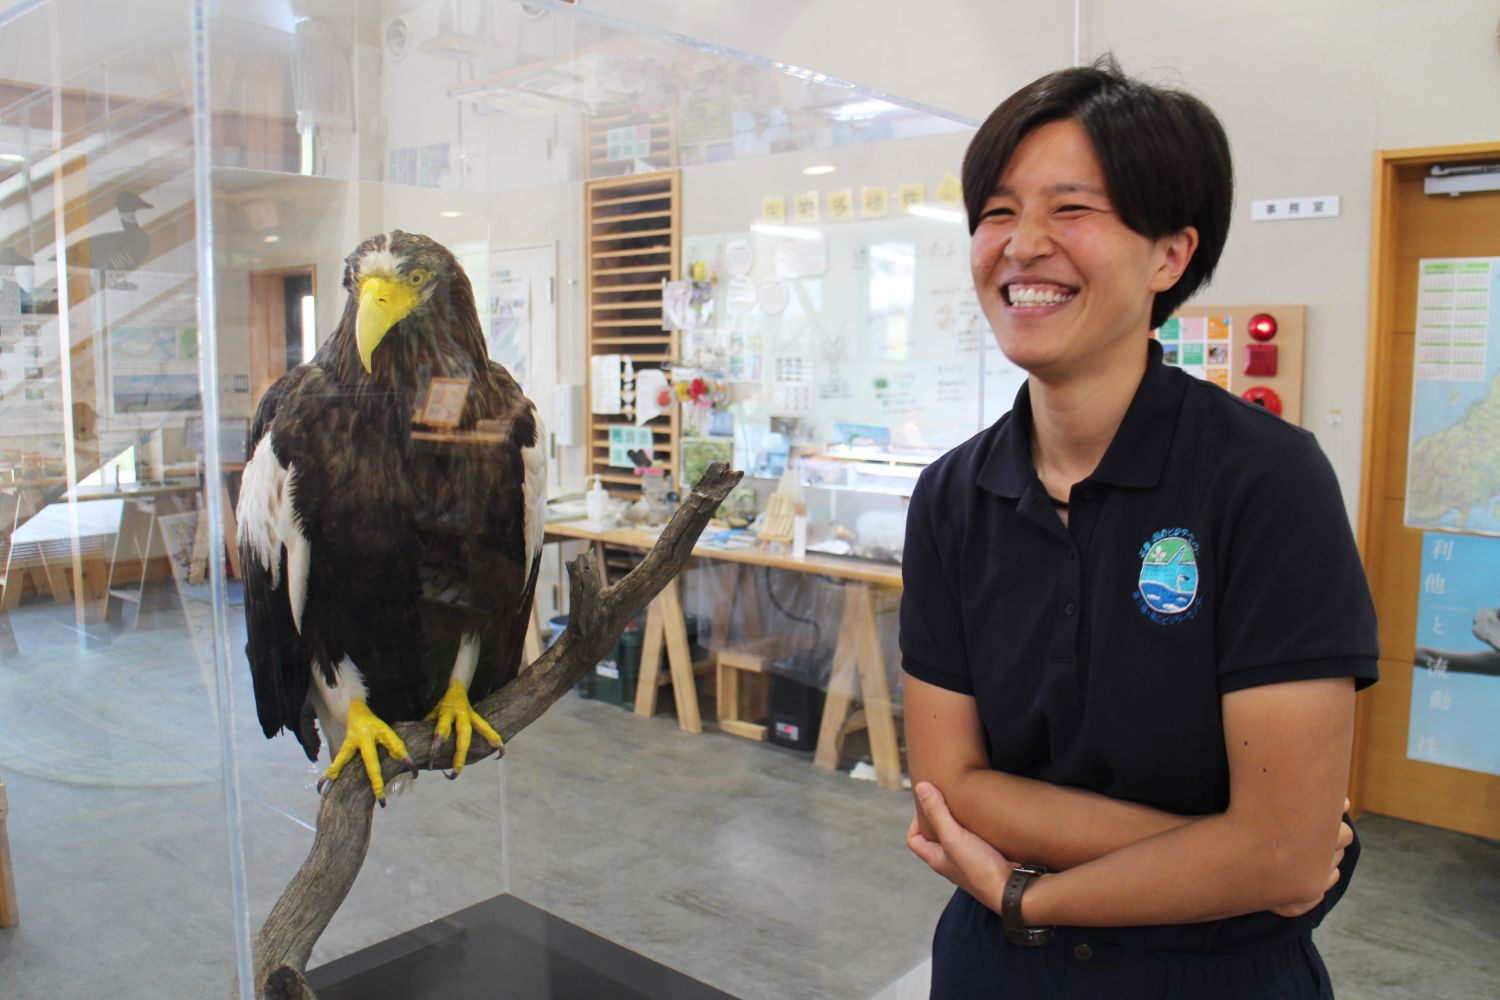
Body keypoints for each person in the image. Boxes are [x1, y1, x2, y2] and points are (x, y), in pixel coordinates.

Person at [900, 57, 1379, 999]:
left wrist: (1026, 894)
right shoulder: (952, 495)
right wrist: (1239, 848)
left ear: (1170, 255)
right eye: (997, 212)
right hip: (996, 976)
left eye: (1071, 210)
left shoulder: (1266, 481)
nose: (1022, 244)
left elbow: (1279, 856)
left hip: (1212, 976)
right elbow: (950, 787)